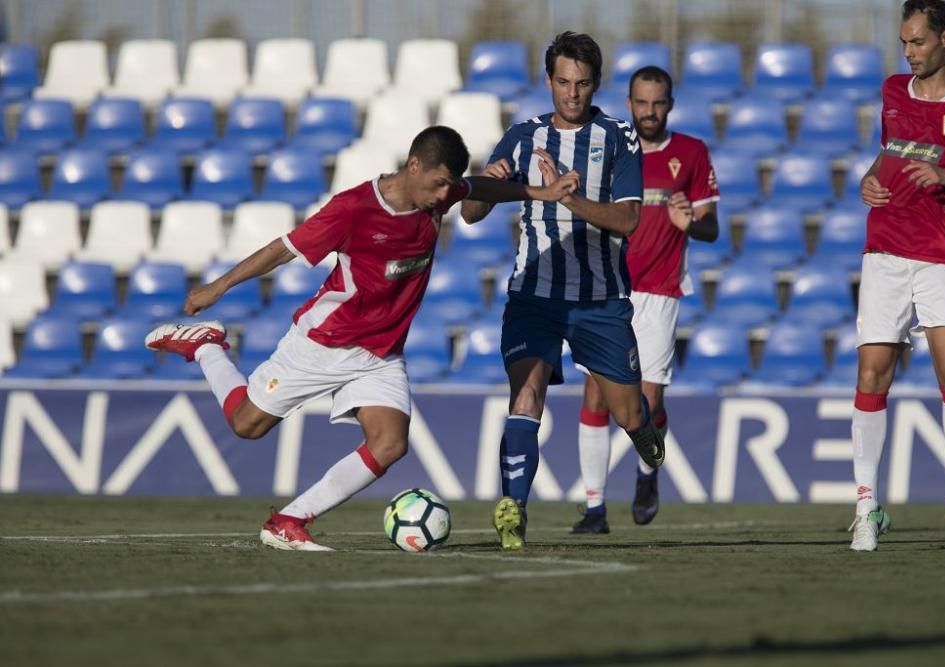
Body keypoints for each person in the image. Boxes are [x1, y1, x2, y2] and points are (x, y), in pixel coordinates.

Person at [145, 126, 579, 551]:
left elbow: (480, 187)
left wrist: (539, 194)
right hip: (324, 341)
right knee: (246, 425)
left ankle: (289, 521)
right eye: (440, 183)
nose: (446, 195)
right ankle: (205, 345)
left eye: (450, 186)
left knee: (390, 444)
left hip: (381, 353)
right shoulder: (353, 209)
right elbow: (282, 248)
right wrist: (216, 288)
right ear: (414, 165)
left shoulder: (439, 197)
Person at [461, 31, 666, 552]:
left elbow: (627, 219)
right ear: (548, 80)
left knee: (629, 416)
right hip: (535, 295)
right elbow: (469, 211)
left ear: (595, 85)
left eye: (582, 84)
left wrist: (568, 199)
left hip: (601, 301)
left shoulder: (619, 136)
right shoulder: (522, 134)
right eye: (563, 82)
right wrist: (490, 182)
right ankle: (514, 511)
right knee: (526, 393)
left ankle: (645, 436)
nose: (572, 94)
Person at [850, 0, 945, 551]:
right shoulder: (892, 92)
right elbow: (884, 155)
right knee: (871, 376)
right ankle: (866, 506)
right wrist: (869, 181)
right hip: (884, 249)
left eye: (917, 42)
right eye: (904, 43)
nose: (908, 52)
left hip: (942, 252)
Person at [570, 65, 719, 534]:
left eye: (657, 103)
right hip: (606, 288)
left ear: (670, 104)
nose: (649, 111)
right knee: (595, 393)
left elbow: (711, 226)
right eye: (641, 102)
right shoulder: (609, 148)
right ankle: (594, 509)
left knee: (646, 405)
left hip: (659, 292)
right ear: (629, 102)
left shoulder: (691, 153)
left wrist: (688, 224)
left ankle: (647, 473)